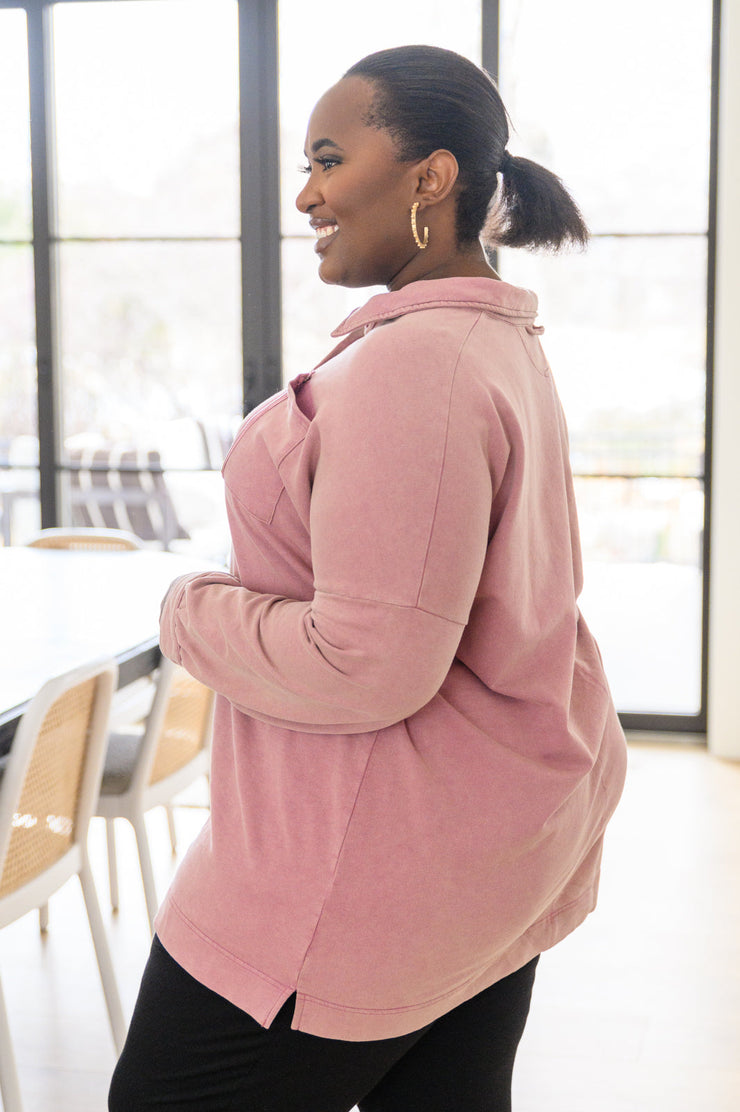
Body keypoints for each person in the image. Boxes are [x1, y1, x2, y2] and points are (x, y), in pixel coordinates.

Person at [109, 44, 628, 1112]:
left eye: (329, 161)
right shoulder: (487, 339)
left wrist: (188, 609)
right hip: (477, 844)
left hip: (353, 872)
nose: (305, 196)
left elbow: (367, 663)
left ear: (430, 177)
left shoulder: (417, 364)